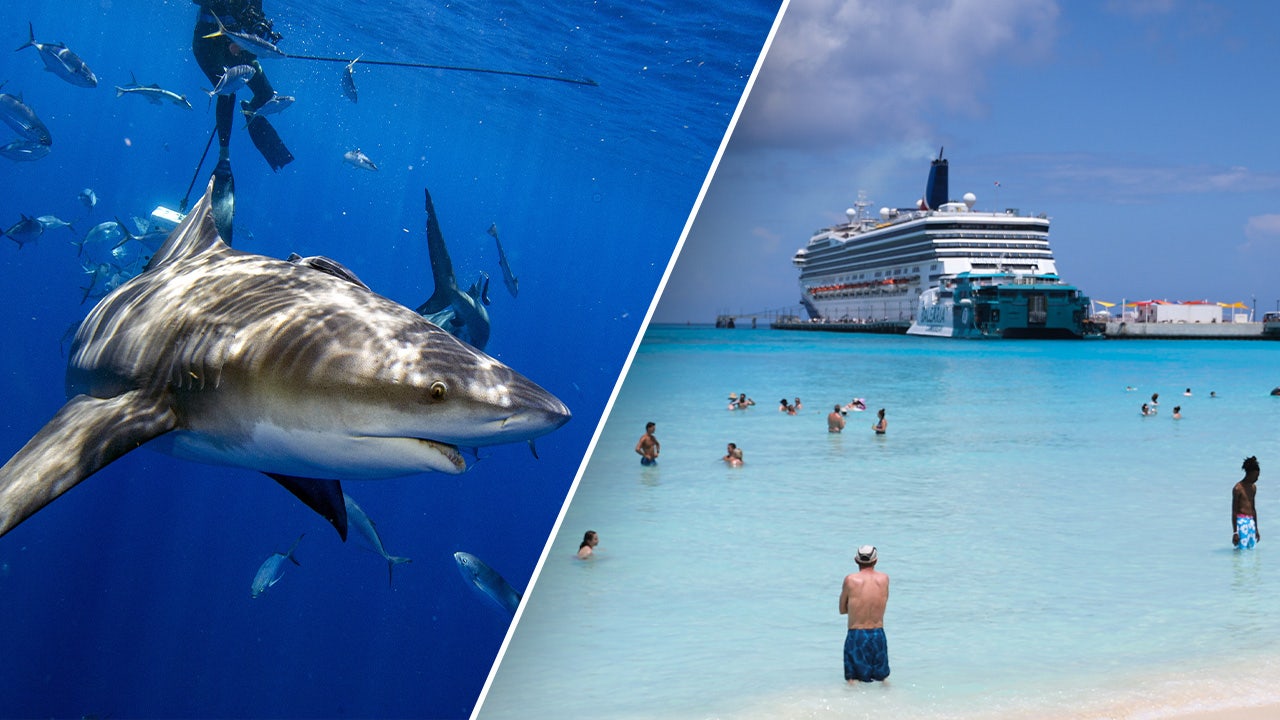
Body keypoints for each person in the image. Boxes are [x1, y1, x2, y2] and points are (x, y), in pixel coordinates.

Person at [192, 0, 294, 238]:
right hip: (208, 43)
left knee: (266, 94)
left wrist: (258, 34)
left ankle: (251, 113)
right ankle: (224, 157)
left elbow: (255, 17)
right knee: (227, 91)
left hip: (239, 45)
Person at [839, 545, 890, 683]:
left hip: (857, 635)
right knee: (883, 679)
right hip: (878, 634)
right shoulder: (884, 579)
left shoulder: (850, 580)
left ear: (856, 560)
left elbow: (842, 609)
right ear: (876, 561)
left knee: (852, 680)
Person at [1233, 456, 1261, 549]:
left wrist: (1256, 529)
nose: (1257, 478)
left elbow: (1253, 508)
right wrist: (1235, 532)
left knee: (1252, 549)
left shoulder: (1253, 488)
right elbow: (1234, 511)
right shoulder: (1238, 488)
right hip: (1241, 522)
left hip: (1251, 522)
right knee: (1241, 550)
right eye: (1256, 476)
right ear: (1249, 474)